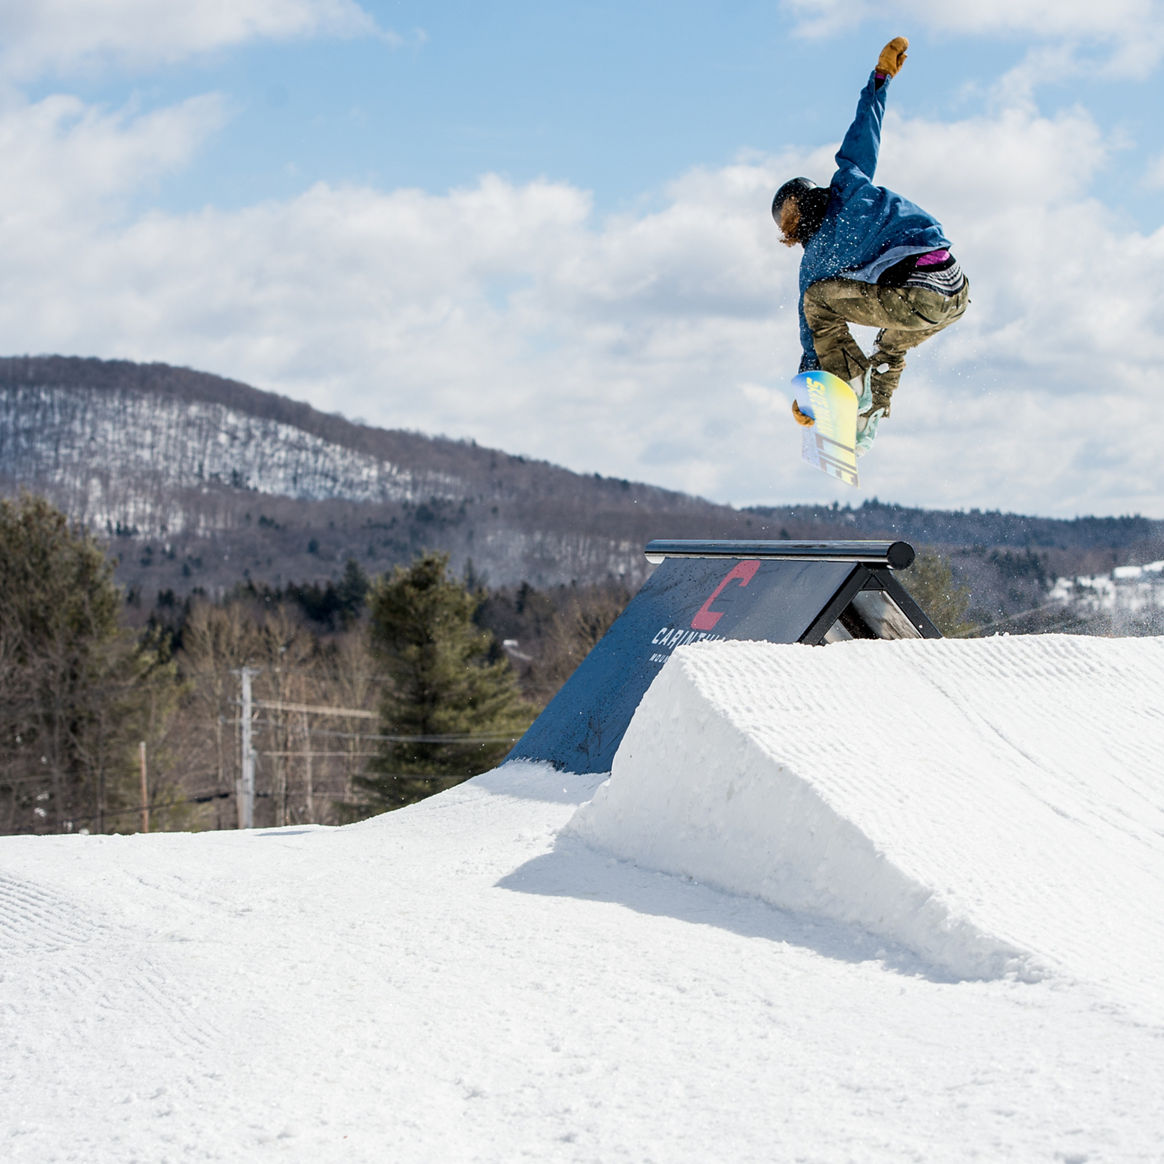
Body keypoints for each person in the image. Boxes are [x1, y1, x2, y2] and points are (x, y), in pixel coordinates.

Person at [774, 37, 969, 451]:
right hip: (954, 291)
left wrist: (815, 392)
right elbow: (867, 126)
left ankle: (851, 387)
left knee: (817, 301)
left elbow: (812, 329)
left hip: (919, 293)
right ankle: (870, 417)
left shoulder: (815, 260)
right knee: (889, 344)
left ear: (792, 231)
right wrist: (879, 79)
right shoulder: (850, 178)